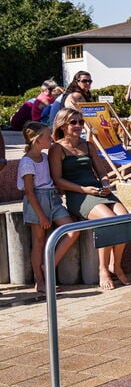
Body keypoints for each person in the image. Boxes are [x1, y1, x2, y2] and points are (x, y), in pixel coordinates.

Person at [49, 108, 130, 290]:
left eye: (80, 122)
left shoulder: (88, 145)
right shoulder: (57, 148)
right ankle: (103, 269)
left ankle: (115, 265)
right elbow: (58, 180)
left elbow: (102, 172)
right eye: (73, 122)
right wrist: (85, 189)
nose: (78, 126)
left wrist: (105, 184)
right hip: (78, 195)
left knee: (125, 219)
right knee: (109, 221)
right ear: (62, 125)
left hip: (99, 191)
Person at [17, 122, 80, 293]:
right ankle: (40, 282)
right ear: (37, 140)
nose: (51, 138)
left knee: (72, 231)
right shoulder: (27, 162)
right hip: (37, 201)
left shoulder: (44, 157)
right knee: (39, 241)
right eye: (47, 136)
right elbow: (30, 192)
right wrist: (42, 216)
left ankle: (48, 265)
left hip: (53, 198)